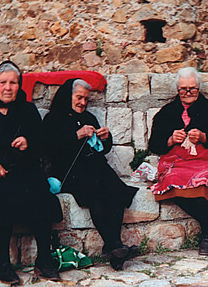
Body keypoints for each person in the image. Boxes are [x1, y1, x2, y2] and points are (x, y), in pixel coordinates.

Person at [0, 61, 63, 283]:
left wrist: (28, 142)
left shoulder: (27, 110)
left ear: (19, 85)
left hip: (22, 168)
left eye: (13, 83)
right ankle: (3, 262)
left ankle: (44, 259)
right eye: (3, 82)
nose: (8, 87)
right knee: (2, 197)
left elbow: (43, 143)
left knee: (41, 194)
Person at [43, 78, 139, 270]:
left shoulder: (88, 118)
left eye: (86, 99)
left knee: (116, 191)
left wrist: (106, 138)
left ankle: (115, 248)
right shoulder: (53, 119)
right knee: (96, 193)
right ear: (67, 96)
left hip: (96, 167)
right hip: (70, 171)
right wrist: (76, 135)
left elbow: (102, 150)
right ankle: (115, 246)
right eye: (79, 98)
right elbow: (48, 148)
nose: (83, 103)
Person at [148, 67, 208, 256]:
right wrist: (170, 140)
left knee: (204, 179)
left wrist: (204, 136)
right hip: (177, 160)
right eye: (183, 89)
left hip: (205, 159)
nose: (188, 93)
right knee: (172, 179)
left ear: (199, 88)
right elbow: (154, 143)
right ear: (177, 90)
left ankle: (207, 237)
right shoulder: (167, 112)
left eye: (192, 89)